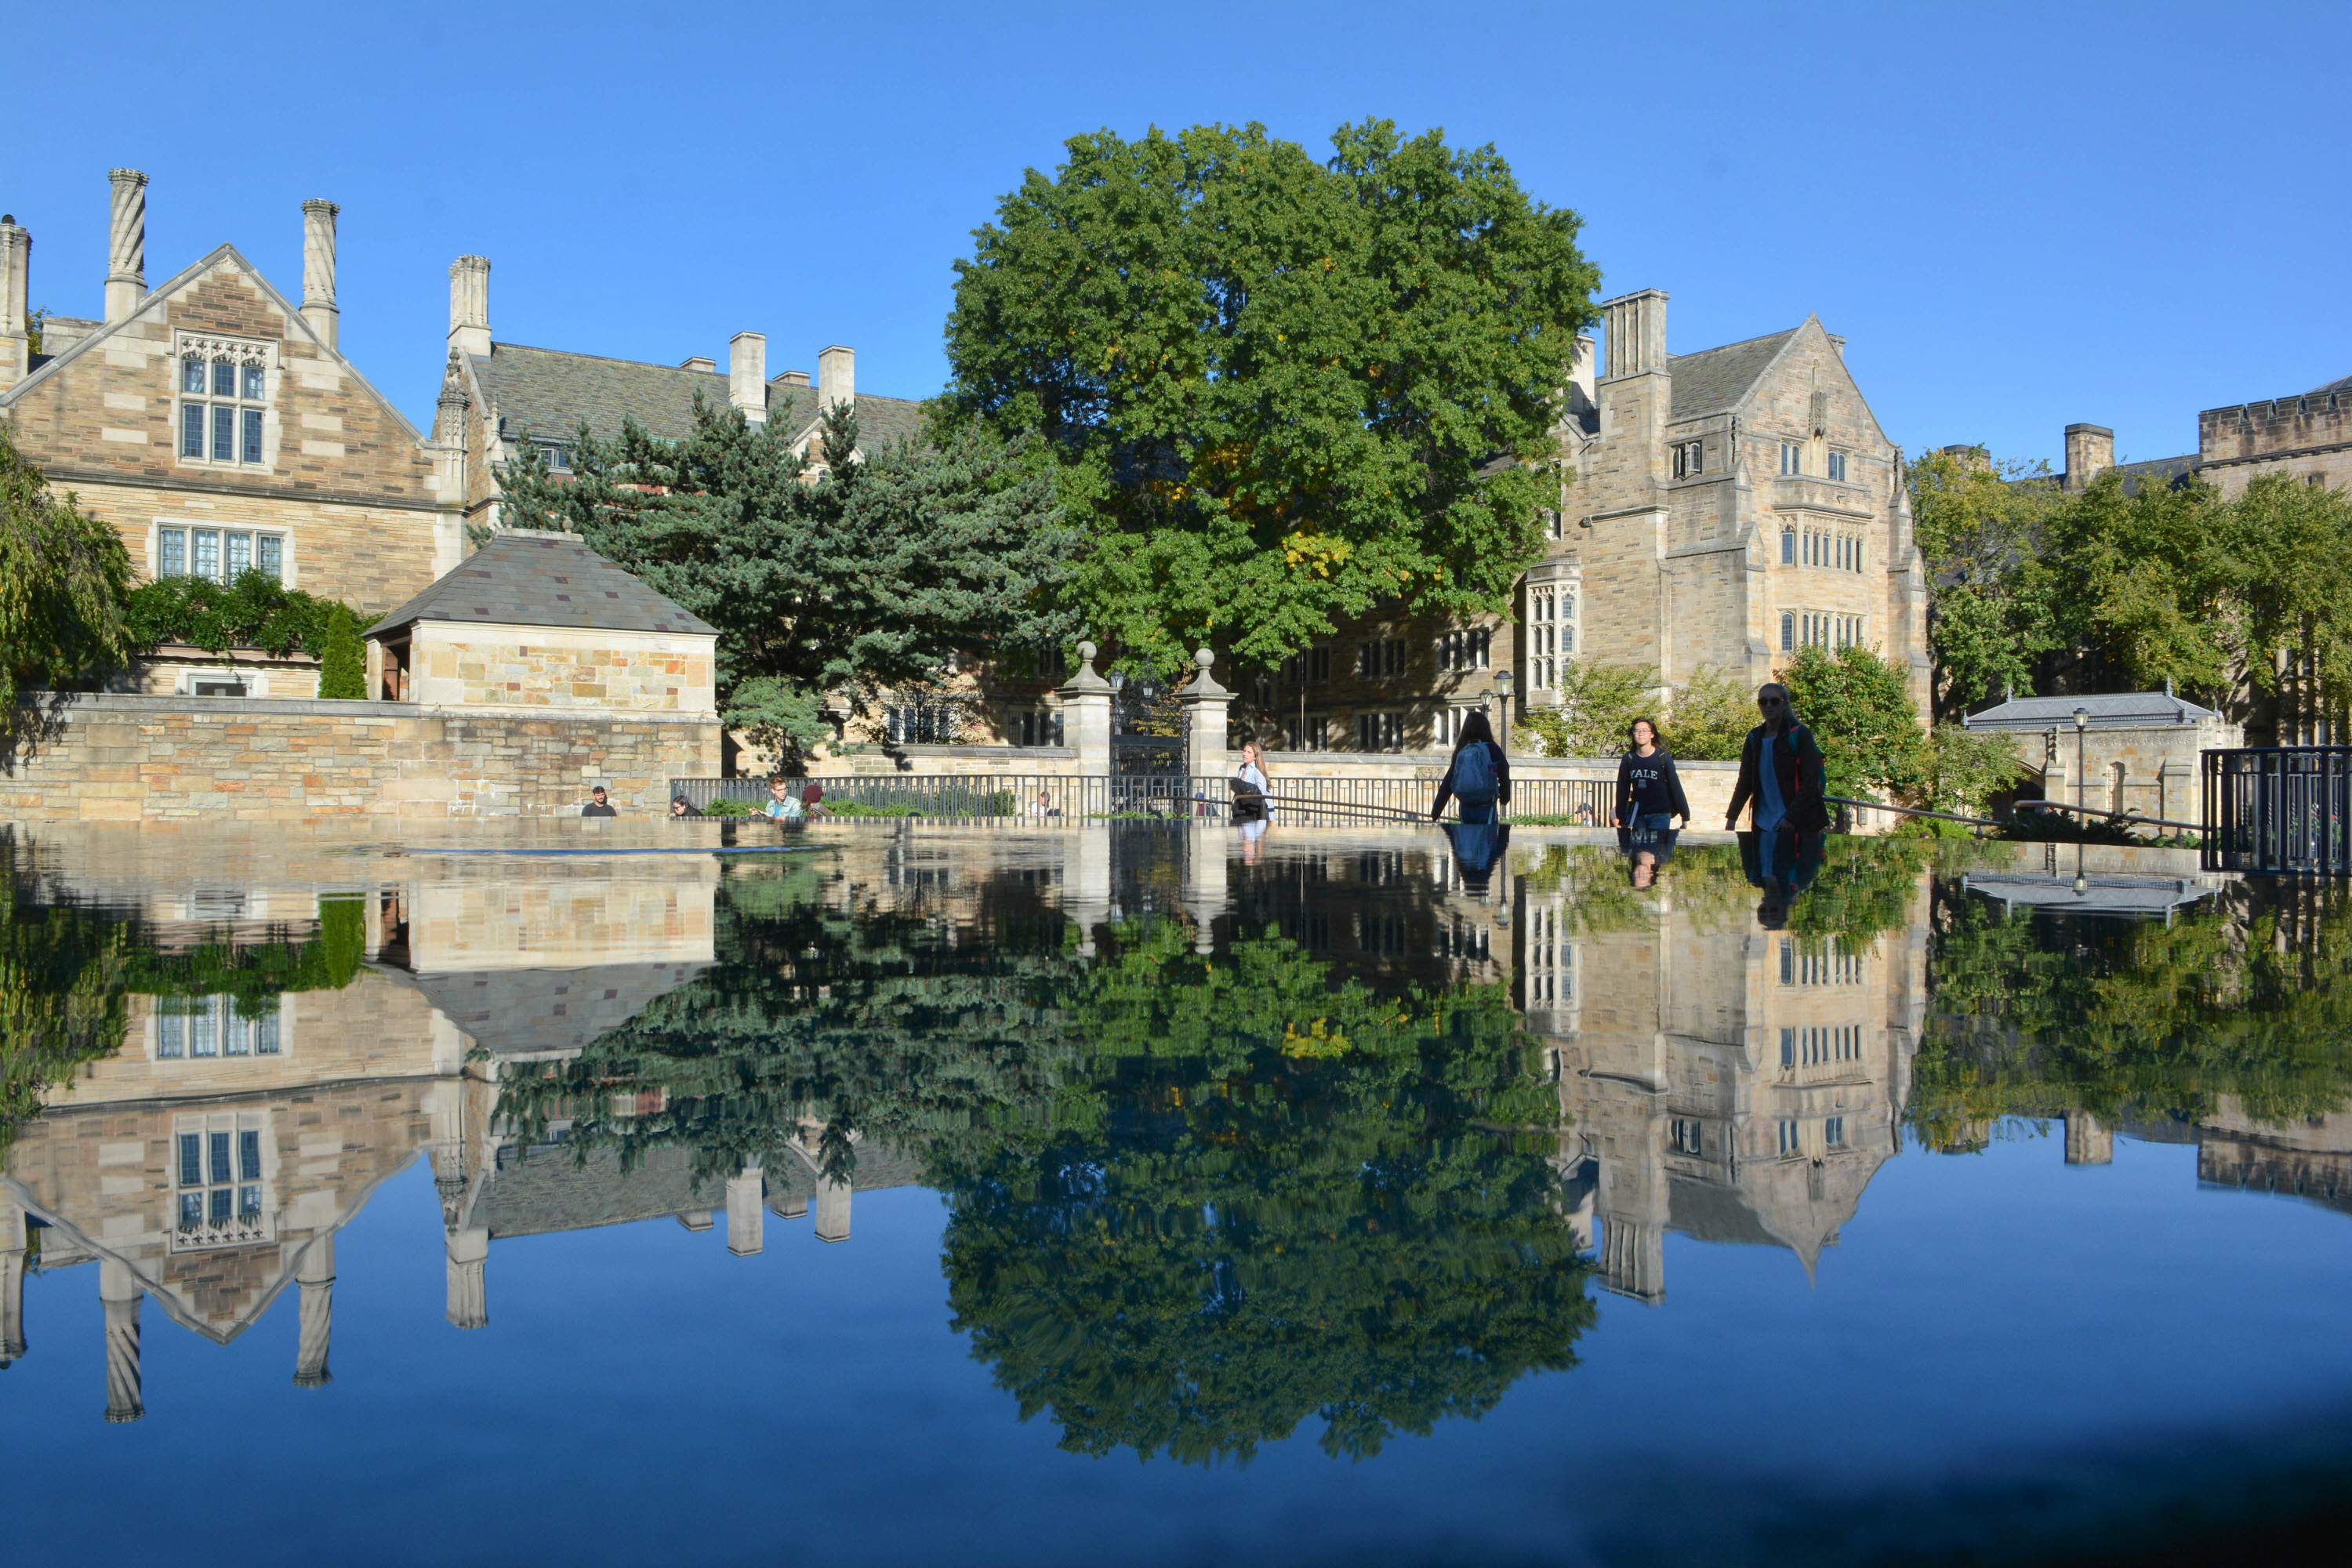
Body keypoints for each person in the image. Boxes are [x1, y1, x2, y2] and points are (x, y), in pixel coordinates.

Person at [1724, 683, 1829, 834]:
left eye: (1774, 701)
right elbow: (1745, 780)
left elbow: (1810, 781)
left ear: (1784, 705)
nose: (1768, 706)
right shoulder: (1754, 737)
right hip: (1762, 822)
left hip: (1796, 823)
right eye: (1763, 701)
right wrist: (1732, 817)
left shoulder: (1799, 734)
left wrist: (1790, 819)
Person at [1431, 709, 1510, 825]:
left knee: (1467, 839)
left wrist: (1436, 811)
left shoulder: (1462, 750)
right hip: (1486, 805)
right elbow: (1504, 769)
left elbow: (1448, 781)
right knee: (1487, 839)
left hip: (1465, 806)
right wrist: (1504, 797)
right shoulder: (1491, 748)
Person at [1615, 717, 1691, 830]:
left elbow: (1675, 786)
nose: (1641, 734)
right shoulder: (1629, 759)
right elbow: (1622, 789)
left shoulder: (1662, 757)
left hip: (1660, 813)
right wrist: (1621, 816)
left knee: (1655, 847)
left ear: (1652, 734)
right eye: (1637, 731)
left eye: (1645, 731)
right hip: (1638, 814)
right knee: (1640, 848)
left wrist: (1685, 815)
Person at [1232, 741, 1272, 825]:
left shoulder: (1257, 771)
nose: (1245, 754)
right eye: (1244, 751)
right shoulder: (1242, 768)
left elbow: (1261, 793)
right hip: (1241, 807)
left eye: (1249, 752)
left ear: (1255, 756)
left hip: (1253, 810)